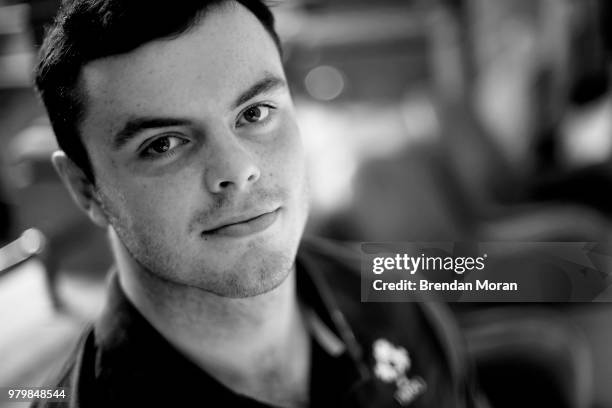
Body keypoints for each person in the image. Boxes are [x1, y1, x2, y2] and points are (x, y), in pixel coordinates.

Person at [32, 1, 485, 406]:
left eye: (255, 113)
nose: (237, 168)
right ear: (85, 189)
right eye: (164, 144)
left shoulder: (393, 300)